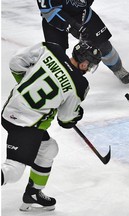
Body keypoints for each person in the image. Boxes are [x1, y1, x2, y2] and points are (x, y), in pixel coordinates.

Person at [1, 41, 100, 211]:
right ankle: (32, 192)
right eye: (90, 65)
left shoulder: (51, 48)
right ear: (84, 63)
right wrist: (76, 115)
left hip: (11, 109)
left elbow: (15, 63)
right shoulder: (79, 84)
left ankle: (33, 193)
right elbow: (65, 119)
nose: (89, 69)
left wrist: (27, 82)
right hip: (27, 124)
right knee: (14, 170)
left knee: (48, 148)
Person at [36, 0, 129, 84]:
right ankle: (58, 83)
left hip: (80, 11)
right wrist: (72, 25)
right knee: (56, 55)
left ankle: (117, 69)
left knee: (103, 45)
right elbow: (48, 11)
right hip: (54, 17)